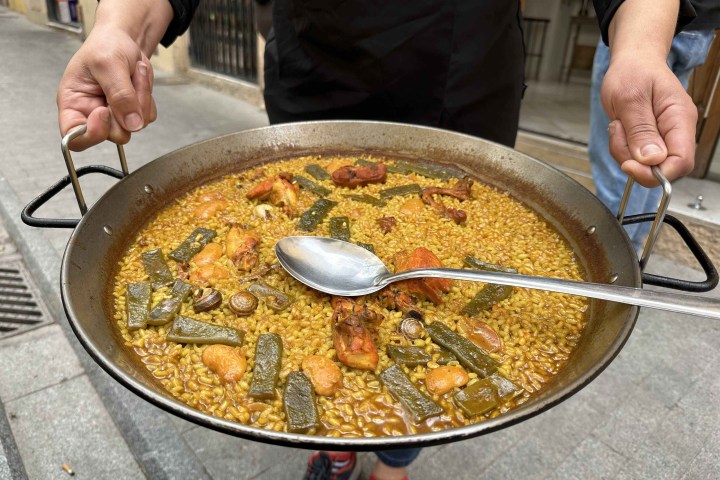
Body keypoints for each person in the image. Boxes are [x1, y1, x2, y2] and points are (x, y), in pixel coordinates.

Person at [55, 0, 708, 478]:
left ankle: (393, 459)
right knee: (320, 278)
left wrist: (643, 49)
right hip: (315, 77)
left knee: (416, 322)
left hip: (461, 84)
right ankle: (339, 448)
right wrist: (117, 29)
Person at [589, 0, 719, 252]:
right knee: (658, 160)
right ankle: (634, 253)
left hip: (645, 19)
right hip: (699, 28)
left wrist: (639, 49)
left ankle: (610, 260)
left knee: (624, 161)